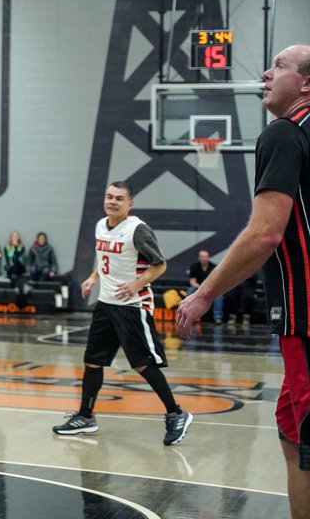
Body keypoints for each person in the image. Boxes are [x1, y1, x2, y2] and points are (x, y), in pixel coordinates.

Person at [175, 44, 310, 519]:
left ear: (306, 83)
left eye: (280, 66)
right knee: (292, 436)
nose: (266, 73)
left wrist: (204, 293)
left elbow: (265, 233)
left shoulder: (285, 133)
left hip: (307, 314)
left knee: (304, 440)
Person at [52, 181, 192, 445]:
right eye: (109, 197)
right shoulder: (100, 225)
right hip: (105, 304)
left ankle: (176, 413)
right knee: (93, 362)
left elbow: (160, 265)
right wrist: (93, 278)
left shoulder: (137, 230)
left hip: (132, 306)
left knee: (142, 364)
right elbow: (104, 257)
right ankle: (85, 416)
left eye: (119, 198)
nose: (112, 202)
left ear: (130, 204)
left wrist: (135, 285)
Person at [186, 249, 224, 324]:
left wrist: (208, 288)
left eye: (205, 256)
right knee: (190, 291)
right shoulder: (194, 267)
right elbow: (192, 282)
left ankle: (217, 316)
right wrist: (201, 288)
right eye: (202, 256)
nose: (203, 258)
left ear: (208, 257)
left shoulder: (214, 267)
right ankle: (191, 315)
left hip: (210, 288)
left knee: (219, 294)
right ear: (199, 258)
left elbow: (215, 282)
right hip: (198, 287)